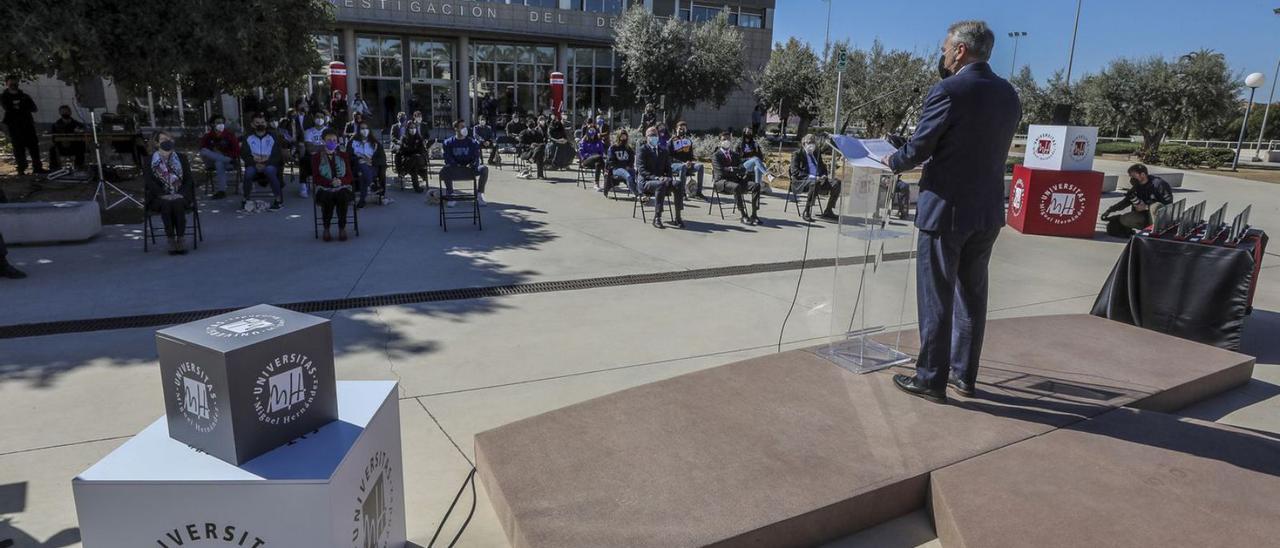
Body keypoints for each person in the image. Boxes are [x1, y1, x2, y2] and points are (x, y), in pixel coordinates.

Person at [880, 20, 1021, 403]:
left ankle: (930, 378)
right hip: (987, 211)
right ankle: (964, 376)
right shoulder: (1009, 94)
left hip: (946, 211)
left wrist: (893, 159)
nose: (942, 54)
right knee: (972, 297)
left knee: (936, 297)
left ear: (960, 50)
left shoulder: (949, 89)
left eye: (945, 48)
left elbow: (920, 148)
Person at [145, 131, 197, 254]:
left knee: (177, 202)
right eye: (163, 139)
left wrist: (181, 193)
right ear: (157, 143)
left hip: (181, 195)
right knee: (167, 203)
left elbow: (189, 180)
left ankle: (180, 239)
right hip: (159, 197)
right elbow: (149, 182)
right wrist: (163, 194)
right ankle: (171, 240)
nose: (167, 141)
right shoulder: (149, 160)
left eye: (169, 138)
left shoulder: (181, 158)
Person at [1101, 163, 1173, 238]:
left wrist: (1146, 207)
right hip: (1143, 217)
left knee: (1156, 206)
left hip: (1159, 218)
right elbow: (1125, 202)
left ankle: (1155, 234)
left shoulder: (1159, 184)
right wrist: (1110, 210)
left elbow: (1168, 203)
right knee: (1125, 219)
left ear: (1142, 174)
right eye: (1131, 176)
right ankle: (1131, 230)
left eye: (1134, 176)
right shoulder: (1137, 187)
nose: (1132, 179)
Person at [636, 126, 684, 229]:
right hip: (646, 182)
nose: (654, 137)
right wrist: (657, 178)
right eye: (651, 135)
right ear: (646, 137)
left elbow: (668, 168)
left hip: (662, 181)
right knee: (660, 185)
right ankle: (657, 217)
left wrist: (669, 178)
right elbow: (642, 171)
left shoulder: (663, 150)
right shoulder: (642, 150)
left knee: (678, 184)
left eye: (655, 135)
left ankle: (678, 217)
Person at [312, 129, 355, 241]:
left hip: (342, 186)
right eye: (329, 140)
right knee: (328, 197)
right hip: (324, 188)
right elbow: (316, 178)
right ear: (323, 141)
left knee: (342, 196)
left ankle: (342, 227)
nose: (332, 142)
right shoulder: (317, 157)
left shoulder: (343, 155)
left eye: (334, 140)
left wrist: (341, 181)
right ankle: (326, 228)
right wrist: (330, 182)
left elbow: (349, 176)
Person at [712, 130, 761, 225]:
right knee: (736, 187)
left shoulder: (735, 155)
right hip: (721, 182)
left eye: (728, 139)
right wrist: (735, 170)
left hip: (736, 180)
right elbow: (721, 172)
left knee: (756, 185)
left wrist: (731, 169)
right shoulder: (716, 156)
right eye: (724, 139)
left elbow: (742, 169)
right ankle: (743, 215)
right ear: (720, 142)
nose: (726, 141)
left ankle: (754, 215)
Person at [239, 113, 285, 210]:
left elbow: (277, 155)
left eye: (262, 122)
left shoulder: (273, 136)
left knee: (270, 171)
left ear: (266, 123)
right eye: (257, 123)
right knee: (248, 173)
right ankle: (245, 198)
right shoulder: (247, 137)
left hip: (270, 164)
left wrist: (266, 164)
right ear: (252, 124)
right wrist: (255, 164)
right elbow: (244, 154)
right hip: (253, 164)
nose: (260, 124)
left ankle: (278, 200)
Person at [789, 134, 839, 222]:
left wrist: (824, 175)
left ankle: (828, 210)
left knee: (837, 183)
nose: (812, 145)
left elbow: (823, 168)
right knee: (814, 183)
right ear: (804, 144)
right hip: (804, 181)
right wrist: (813, 177)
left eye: (813, 142)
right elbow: (795, 172)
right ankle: (807, 211)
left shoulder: (816, 153)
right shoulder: (797, 154)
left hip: (820, 180)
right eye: (809, 142)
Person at [440, 119, 489, 207]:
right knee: (445, 169)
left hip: (470, 170)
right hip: (455, 170)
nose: (464, 129)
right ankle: (451, 195)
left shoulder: (472, 142)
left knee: (484, 169)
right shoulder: (448, 143)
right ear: (456, 129)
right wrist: (457, 165)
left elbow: (476, 157)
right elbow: (448, 159)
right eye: (462, 127)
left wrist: (473, 164)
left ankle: (479, 195)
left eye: (465, 126)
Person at [1, 76, 44, 175]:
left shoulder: (24, 96)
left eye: (15, 83)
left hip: (27, 124)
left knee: (33, 146)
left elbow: (33, 108)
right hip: (14, 126)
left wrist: (19, 107)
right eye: (11, 83)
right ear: (7, 84)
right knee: (18, 148)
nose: (13, 85)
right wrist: (20, 107)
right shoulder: (4, 96)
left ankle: (37, 167)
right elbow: (8, 108)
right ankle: (21, 168)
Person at [198, 115, 240, 199]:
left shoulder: (229, 135)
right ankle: (222, 159)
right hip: (213, 161)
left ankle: (221, 191)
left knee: (219, 163)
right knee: (204, 151)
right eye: (218, 122)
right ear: (213, 124)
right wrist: (215, 152)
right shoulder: (208, 136)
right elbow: (202, 150)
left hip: (228, 161)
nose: (220, 124)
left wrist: (225, 154)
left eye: (222, 122)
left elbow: (237, 151)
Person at [347, 121, 383, 208]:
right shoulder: (353, 142)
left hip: (372, 168)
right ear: (359, 130)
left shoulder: (375, 143)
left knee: (363, 175)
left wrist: (371, 161)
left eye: (366, 128)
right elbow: (348, 157)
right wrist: (359, 159)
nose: (365, 130)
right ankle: (372, 185)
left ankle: (362, 200)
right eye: (362, 128)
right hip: (356, 167)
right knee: (362, 165)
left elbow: (381, 158)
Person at [668, 121, 705, 200]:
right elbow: (669, 157)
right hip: (674, 165)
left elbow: (691, 155)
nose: (682, 130)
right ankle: (682, 193)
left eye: (684, 129)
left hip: (687, 163)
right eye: (680, 128)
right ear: (676, 129)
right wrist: (682, 163)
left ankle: (698, 192)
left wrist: (690, 161)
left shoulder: (688, 140)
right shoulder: (671, 141)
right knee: (683, 167)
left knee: (700, 166)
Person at [49, 105, 87, 170]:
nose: (65, 113)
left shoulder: (77, 124)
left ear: (70, 112)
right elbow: (54, 138)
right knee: (52, 149)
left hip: (74, 146)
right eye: (63, 112)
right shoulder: (56, 125)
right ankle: (54, 168)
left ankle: (79, 166)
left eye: (66, 111)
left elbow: (83, 135)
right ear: (60, 113)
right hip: (61, 147)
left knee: (81, 145)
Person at [300, 110, 327, 199]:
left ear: (325, 119)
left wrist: (317, 147)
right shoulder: (308, 132)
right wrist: (323, 146)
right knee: (304, 160)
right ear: (314, 119)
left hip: (326, 156)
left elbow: (331, 147)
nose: (319, 119)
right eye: (317, 117)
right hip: (312, 156)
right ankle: (303, 186)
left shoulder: (328, 130)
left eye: (322, 117)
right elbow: (309, 148)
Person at [602, 128, 635, 195]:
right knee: (628, 176)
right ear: (619, 137)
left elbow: (631, 160)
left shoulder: (629, 148)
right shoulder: (613, 148)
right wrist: (621, 167)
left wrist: (628, 166)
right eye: (622, 136)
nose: (623, 137)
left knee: (634, 173)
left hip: (626, 168)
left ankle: (639, 192)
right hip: (616, 169)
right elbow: (611, 161)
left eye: (625, 136)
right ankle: (637, 194)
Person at [400, 122, 430, 193]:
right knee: (413, 168)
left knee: (415, 157)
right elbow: (402, 151)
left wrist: (411, 150)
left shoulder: (419, 138)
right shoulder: (404, 138)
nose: (413, 129)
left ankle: (404, 171)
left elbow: (421, 150)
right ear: (408, 129)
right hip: (408, 160)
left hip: (420, 159)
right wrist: (412, 150)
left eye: (414, 128)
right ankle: (417, 188)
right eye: (411, 128)